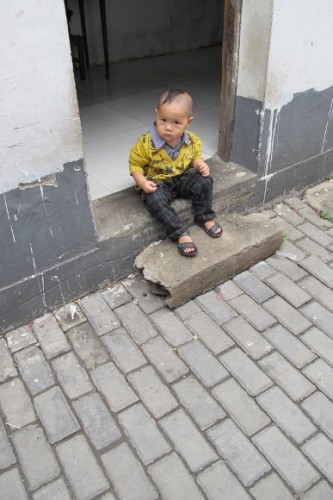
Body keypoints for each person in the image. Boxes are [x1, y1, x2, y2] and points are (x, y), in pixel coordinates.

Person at [129, 88, 222, 257]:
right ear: (156, 114)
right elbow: (135, 165)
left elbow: (195, 155)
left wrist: (199, 163)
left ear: (188, 122)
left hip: (182, 177)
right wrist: (142, 183)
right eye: (163, 120)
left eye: (176, 123)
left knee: (204, 180)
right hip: (158, 182)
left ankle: (205, 217)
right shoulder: (146, 143)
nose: (168, 128)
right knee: (154, 199)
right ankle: (180, 233)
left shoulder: (191, 139)